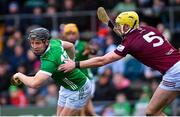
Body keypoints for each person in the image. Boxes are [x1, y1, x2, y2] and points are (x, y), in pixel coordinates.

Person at [59, 11, 180, 116]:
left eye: (120, 25)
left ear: (127, 26)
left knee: (152, 112)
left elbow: (103, 60)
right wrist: (109, 24)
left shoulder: (130, 43)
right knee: (152, 112)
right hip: (177, 63)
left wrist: (75, 64)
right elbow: (130, 36)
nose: (117, 27)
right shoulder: (150, 29)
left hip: (173, 73)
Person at [11, 27, 92, 116]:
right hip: (66, 86)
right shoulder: (54, 42)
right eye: (32, 43)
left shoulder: (50, 60)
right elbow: (70, 46)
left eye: (37, 43)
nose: (34, 46)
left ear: (46, 42)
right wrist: (71, 60)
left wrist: (18, 75)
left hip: (79, 87)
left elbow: (34, 83)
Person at [61, 23, 96, 116]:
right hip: (73, 81)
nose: (71, 36)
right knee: (88, 112)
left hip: (86, 79)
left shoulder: (83, 45)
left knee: (82, 109)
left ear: (77, 34)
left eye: (73, 33)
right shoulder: (62, 47)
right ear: (64, 35)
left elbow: (93, 51)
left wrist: (91, 50)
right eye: (69, 34)